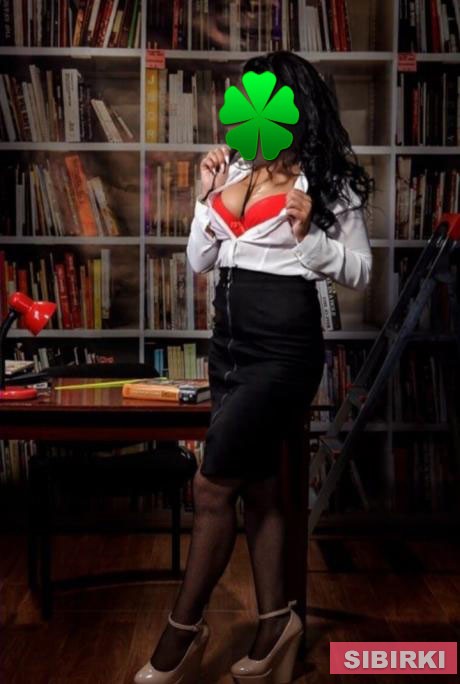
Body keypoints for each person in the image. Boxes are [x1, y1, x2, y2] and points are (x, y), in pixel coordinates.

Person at [134, 51, 374, 684]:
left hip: (284, 350)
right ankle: (276, 624)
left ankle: (181, 632)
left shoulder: (326, 183)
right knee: (261, 488)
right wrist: (204, 196)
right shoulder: (234, 169)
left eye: (258, 96)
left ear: (290, 105)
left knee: (213, 487)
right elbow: (199, 260)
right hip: (228, 349)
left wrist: (309, 237)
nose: (243, 108)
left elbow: (360, 271)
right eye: (241, 98)